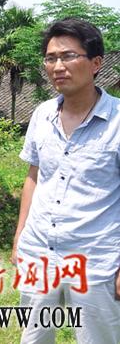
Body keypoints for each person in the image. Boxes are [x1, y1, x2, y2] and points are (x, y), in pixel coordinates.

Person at [12, 18, 120, 343]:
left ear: (96, 63)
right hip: (38, 253)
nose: (58, 66)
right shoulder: (42, 114)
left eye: (69, 56)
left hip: (96, 259)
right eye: (51, 58)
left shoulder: (117, 120)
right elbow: (34, 177)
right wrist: (20, 238)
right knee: (33, 338)